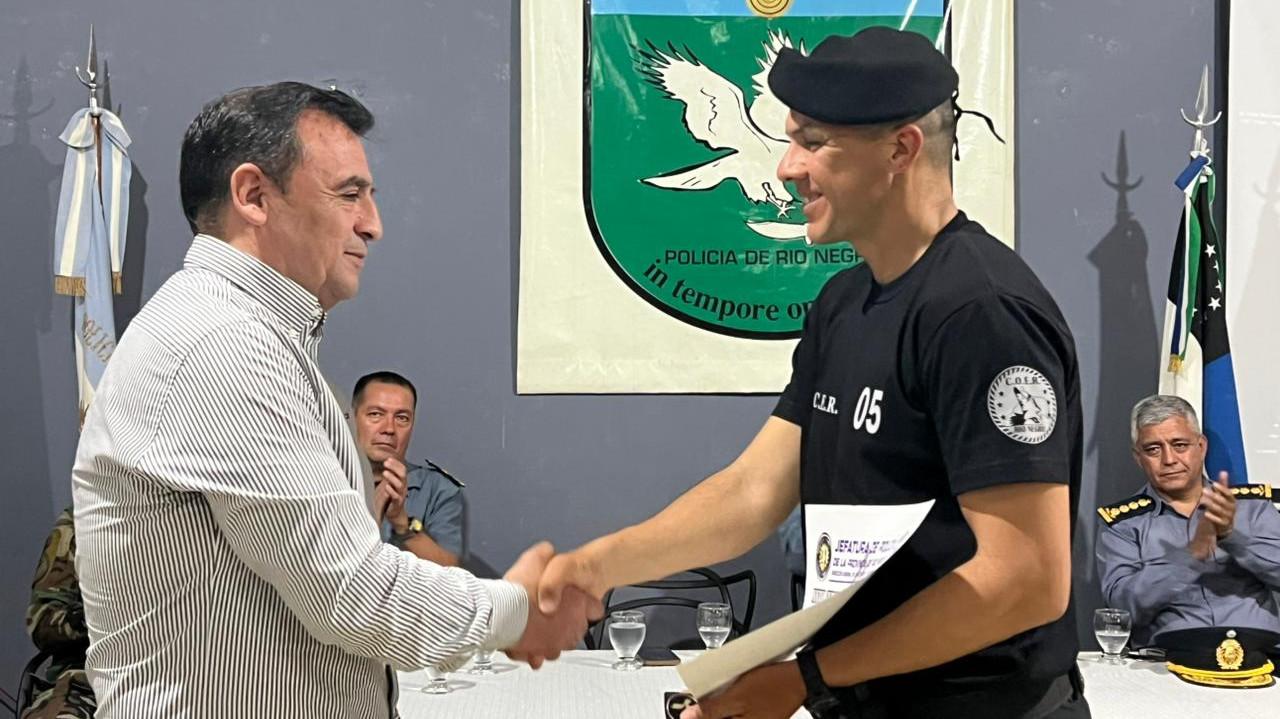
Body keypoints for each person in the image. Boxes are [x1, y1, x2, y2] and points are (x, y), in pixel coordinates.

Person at [539, 27, 1086, 719]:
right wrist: (596, 566)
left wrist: (807, 678)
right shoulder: (843, 302)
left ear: (901, 150)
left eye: (813, 142)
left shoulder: (980, 311)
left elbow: (1026, 580)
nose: (786, 168)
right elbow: (755, 490)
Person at [70, 81, 597, 719]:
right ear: (253, 196)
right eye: (349, 194)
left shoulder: (248, 334)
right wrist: (518, 612)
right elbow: (350, 592)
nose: (373, 224)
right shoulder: (221, 342)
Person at [1095, 394, 1280, 647]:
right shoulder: (1123, 525)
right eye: (1153, 449)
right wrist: (1187, 558)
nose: (1169, 460)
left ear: (1201, 447)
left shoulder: (1252, 508)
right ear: (1138, 457)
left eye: (1180, 445)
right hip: (1167, 662)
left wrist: (1232, 537)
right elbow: (1123, 609)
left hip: (1259, 657)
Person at [352, 370, 465, 566]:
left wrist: (402, 523)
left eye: (402, 418)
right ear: (351, 418)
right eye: (375, 414)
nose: (389, 429)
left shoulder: (438, 489)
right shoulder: (323, 478)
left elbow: (451, 572)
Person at [22, 508, 95, 719]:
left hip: (170, 673)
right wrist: (92, 616)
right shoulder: (80, 522)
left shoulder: (174, 521)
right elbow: (41, 620)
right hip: (85, 676)